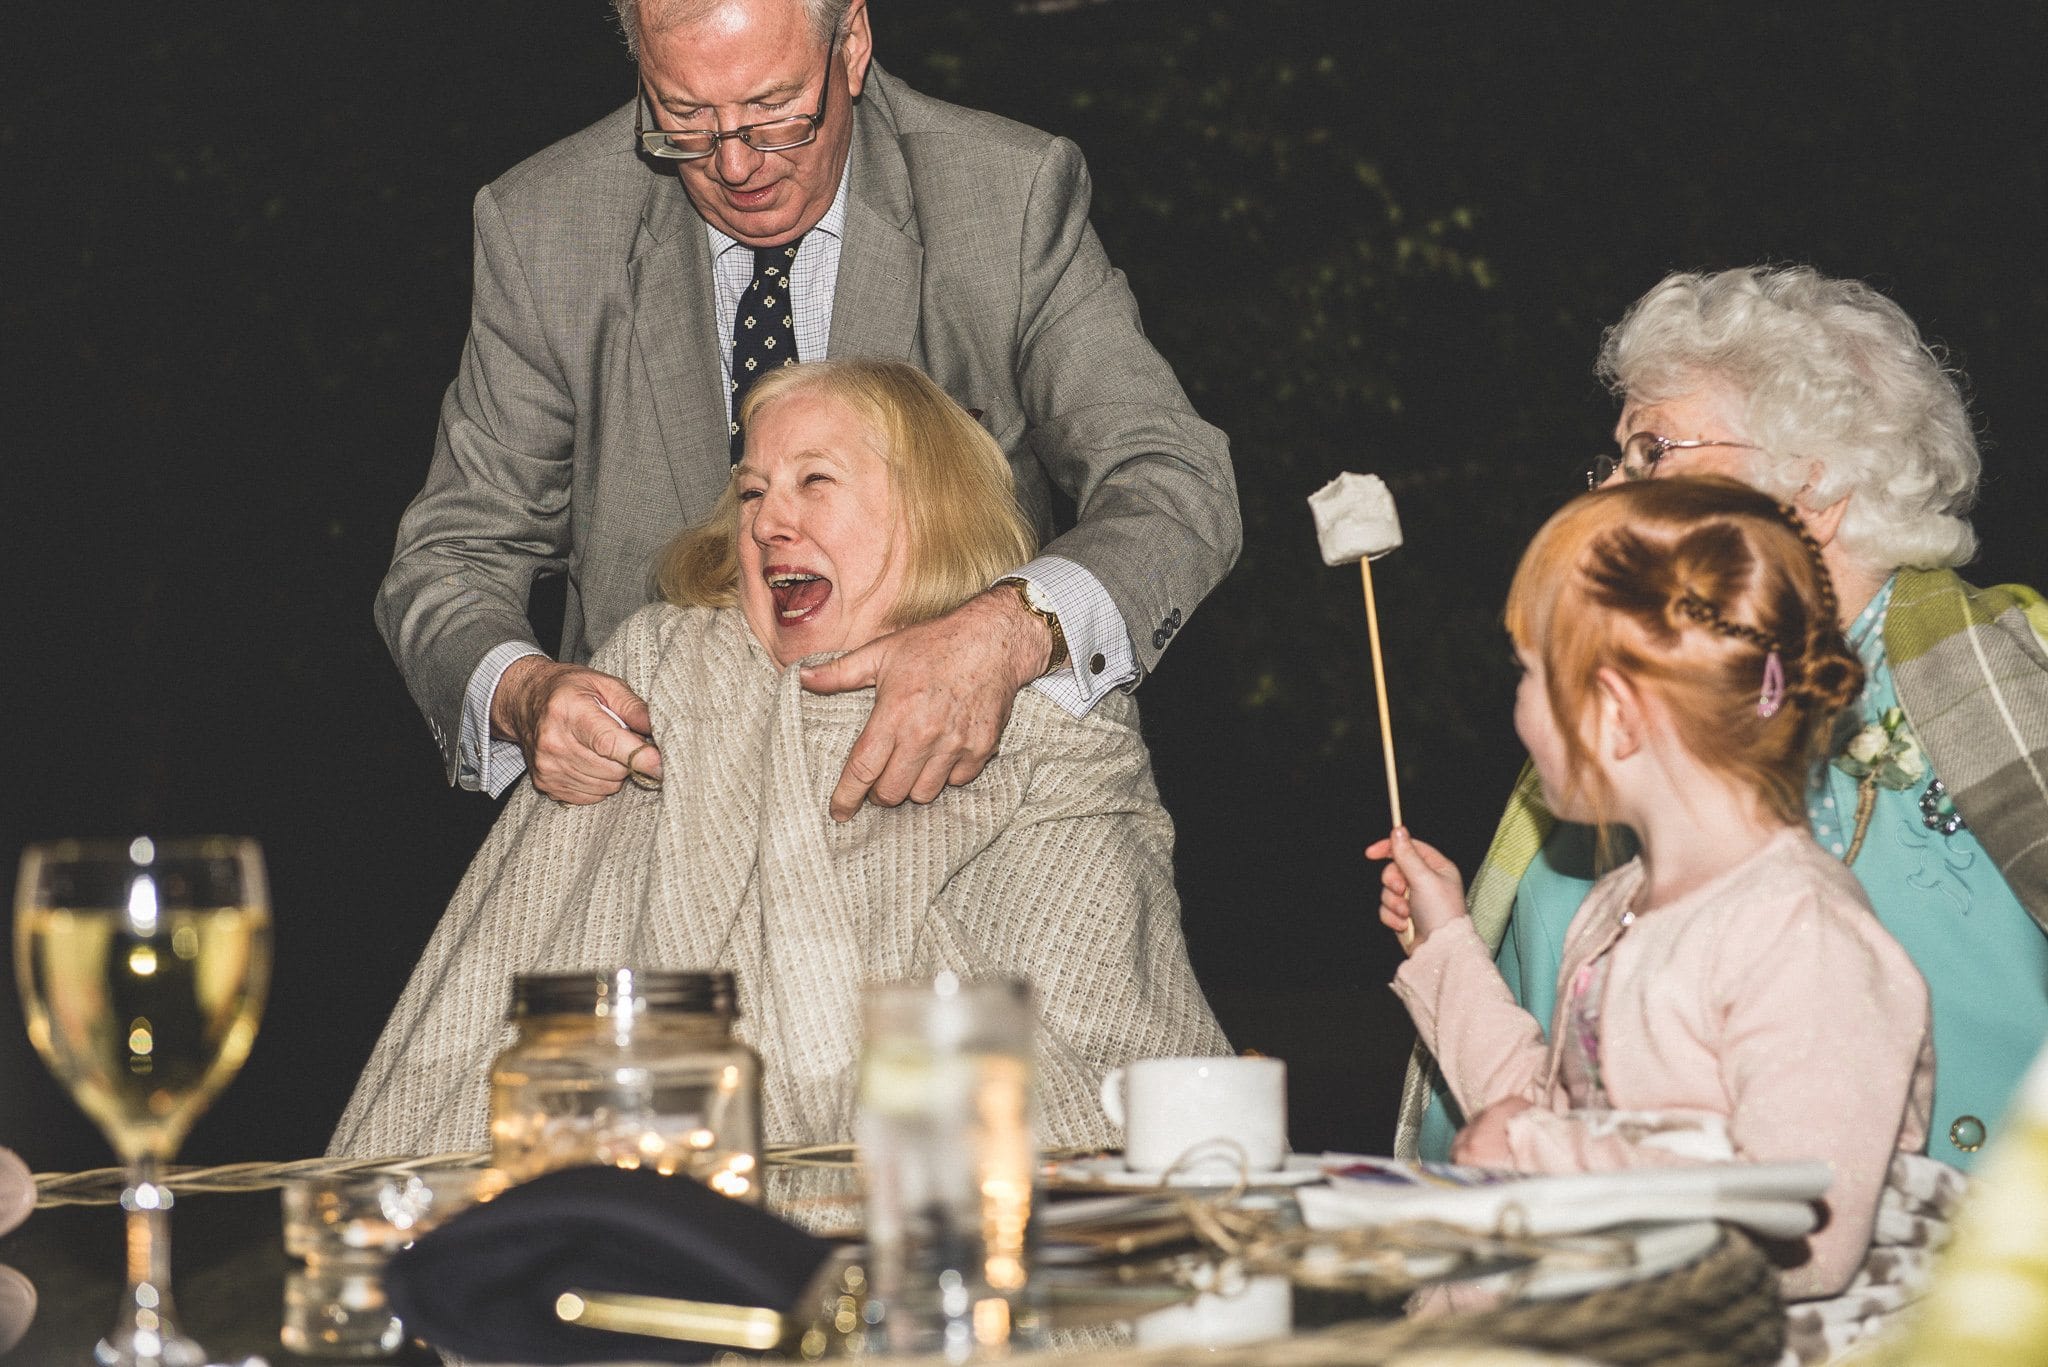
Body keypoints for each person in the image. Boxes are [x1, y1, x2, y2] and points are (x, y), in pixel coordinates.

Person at [333, 360, 1228, 1159]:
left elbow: (1117, 1061)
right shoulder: (659, 675)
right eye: (753, 493)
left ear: (928, 507)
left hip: (932, 1202)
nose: (768, 523)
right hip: (634, 1195)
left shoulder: (1052, 722)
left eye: (814, 481)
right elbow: (483, 1006)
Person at [374, 0, 1239, 821]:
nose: (735, 162)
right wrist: (525, 694)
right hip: (651, 819)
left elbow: (1173, 483)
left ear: (852, 43)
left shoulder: (1004, 198)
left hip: (951, 796)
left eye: (775, 109)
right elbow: (452, 557)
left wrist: (1009, 633)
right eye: (682, 116)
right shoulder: (545, 229)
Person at [1400, 266, 2048, 1171]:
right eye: (1617, 460)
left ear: (1813, 483)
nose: (1604, 497)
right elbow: (1559, 1075)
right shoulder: (1634, 708)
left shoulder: (2011, 672)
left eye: (1652, 450)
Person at [1372, 477, 1942, 1339]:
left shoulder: (1803, 934)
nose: (1517, 706)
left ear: (1616, 715)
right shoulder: (1622, 903)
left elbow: (1807, 1222)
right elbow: (1549, 1112)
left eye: (1529, 672)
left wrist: (1539, 1157)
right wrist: (1448, 943)